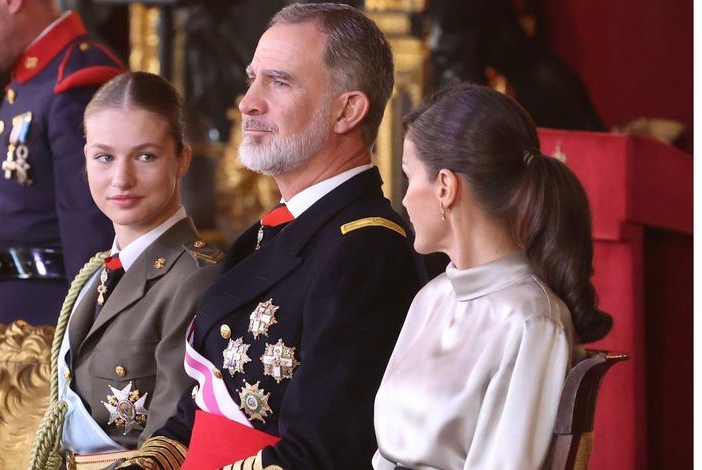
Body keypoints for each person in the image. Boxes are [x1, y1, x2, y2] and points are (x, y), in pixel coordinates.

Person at [124, 4, 422, 469]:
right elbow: (199, 409)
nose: (247, 102)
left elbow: (320, 456)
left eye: (278, 82)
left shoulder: (366, 252)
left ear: (347, 110)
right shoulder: (276, 231)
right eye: (252, 78)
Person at [372, 84, 613, 469]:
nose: (403, 198)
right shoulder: (432, 297)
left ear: (446, 187)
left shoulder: (532, 320)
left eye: (408, 176)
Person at [28, 72, 224, 470]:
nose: (121, 179)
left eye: (145, 156)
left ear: (182, 159)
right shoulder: (96, 274)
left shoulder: (194, 278)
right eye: (105, 157)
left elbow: (173, 437)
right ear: (85, 159)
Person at [0, 0, 126, 325]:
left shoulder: (76, 79)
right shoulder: (35, 78)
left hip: (50, 328)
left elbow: (93, 238)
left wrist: (82, 344)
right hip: (15, 323)